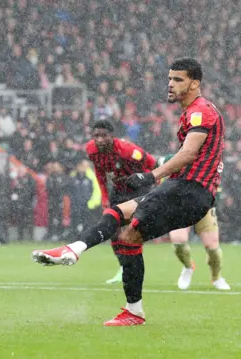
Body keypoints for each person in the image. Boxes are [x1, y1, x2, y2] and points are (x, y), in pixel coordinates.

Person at [33, 58, 224, 326]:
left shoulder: (199, 111)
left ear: (195, 83)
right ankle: (128, 306)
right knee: (125, 230)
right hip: (184, 190)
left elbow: (189, 153)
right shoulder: (193, 111)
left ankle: (77, 253)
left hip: (188, 191)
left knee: (128, 227)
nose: (170, 84)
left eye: (178, 80)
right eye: (169, 78)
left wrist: (151, 175)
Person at [84, 120, 157, 284]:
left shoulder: (128, 150)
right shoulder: (91, 150)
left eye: (104, 136)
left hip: (139, 188)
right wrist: (104, 196)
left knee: (130, 231)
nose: (100, 139)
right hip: (119, 189)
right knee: (113, 230)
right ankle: (123, 267)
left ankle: (132, 268)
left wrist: (157, 185)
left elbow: (152, 163)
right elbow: (100, 172)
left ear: (112, 136)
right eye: (96, 136)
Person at [155, 155, 230, 291]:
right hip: (180, 205)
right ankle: (188, 267)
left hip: (204, 205)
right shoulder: (176, 157)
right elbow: (159, 163)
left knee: (213, 248)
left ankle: (217, 277)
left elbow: (216, 184)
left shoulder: (213, 160)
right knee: (178, 241)